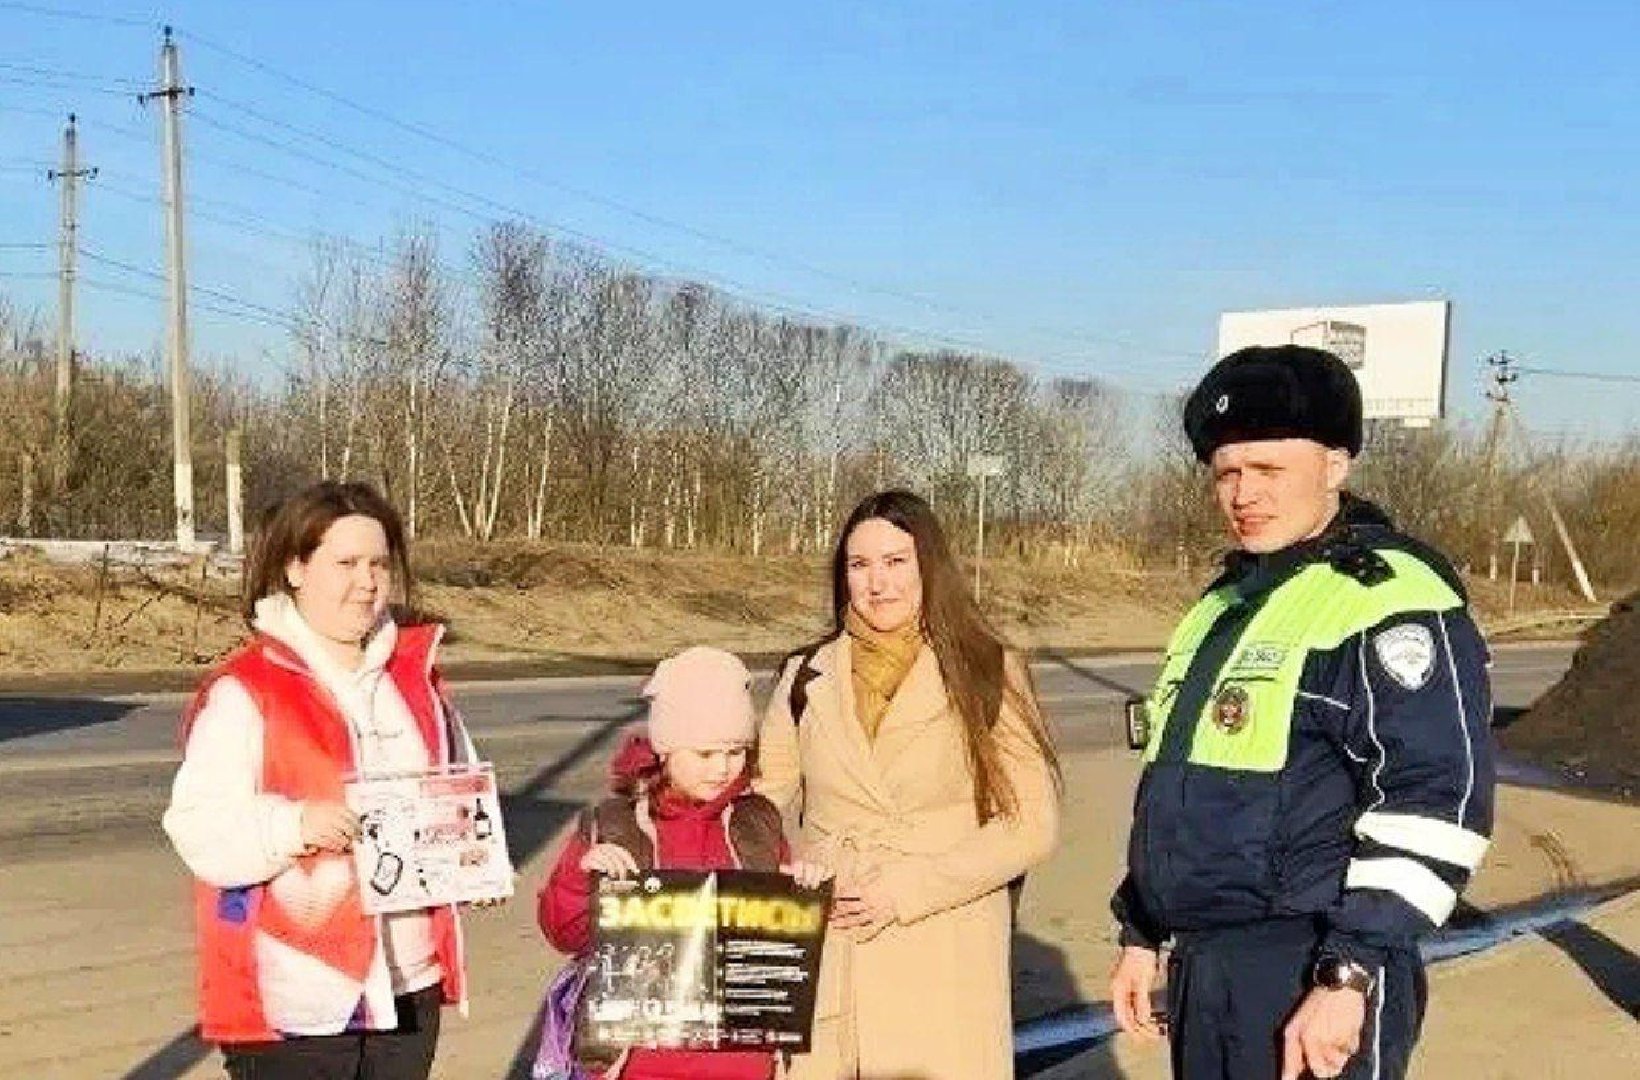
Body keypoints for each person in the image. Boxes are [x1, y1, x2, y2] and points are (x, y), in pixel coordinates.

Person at [1109, 346, 1496, 1080]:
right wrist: (1142, 928)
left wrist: (1349, 973)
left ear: (1335, 465)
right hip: (1207, 968)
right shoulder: (1225, 605)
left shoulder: (1389, 599)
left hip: (1317, 966)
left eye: (1268, 469)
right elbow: (1180, 791)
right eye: (1227, 473)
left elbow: (1436, 799)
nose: (1243, 493)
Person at [162, 481, 485, 1080]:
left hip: (409, 985)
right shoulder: (246, 691)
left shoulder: (417, 684)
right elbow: (198, 827)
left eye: (378, 564)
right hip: (298, 999)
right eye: (346, 563)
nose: (367, 582)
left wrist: (475, 865)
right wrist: (293, 825)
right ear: (295, 569)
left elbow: (461, 797)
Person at [758, 489, 1062, 1080]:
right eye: (859, 564)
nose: (878, 583)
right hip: (829, 949)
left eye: (896, 561)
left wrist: (906, 890)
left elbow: (1031, 825)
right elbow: (756, 809)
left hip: (942, 946)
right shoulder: (805, 676)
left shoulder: (986, 670)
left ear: (929, 566)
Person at [538, 646, 827, 1080]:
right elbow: (564, 934)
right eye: (705, 754)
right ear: (666, 750)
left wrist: (800, 890)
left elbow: (781, 942)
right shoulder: (616, 824)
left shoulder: (757, 822)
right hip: (640, 1061)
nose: (722, 769)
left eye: (735, 752)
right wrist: (581, 879)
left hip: (740, 1061)